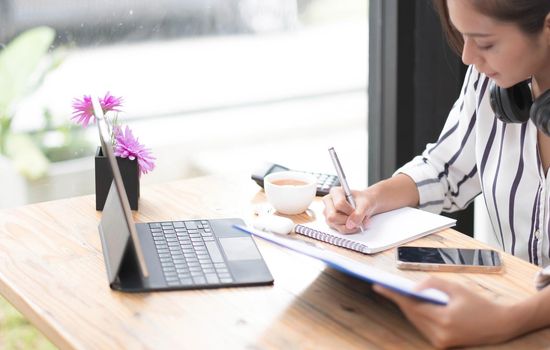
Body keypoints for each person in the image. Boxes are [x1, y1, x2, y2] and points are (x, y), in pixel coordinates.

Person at [322, 0, 550, 347]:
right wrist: (371, 198)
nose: (468, 58)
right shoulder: (492, 80)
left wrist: (505, 321)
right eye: (463, 36)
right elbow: (443, 169)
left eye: (485, 42)